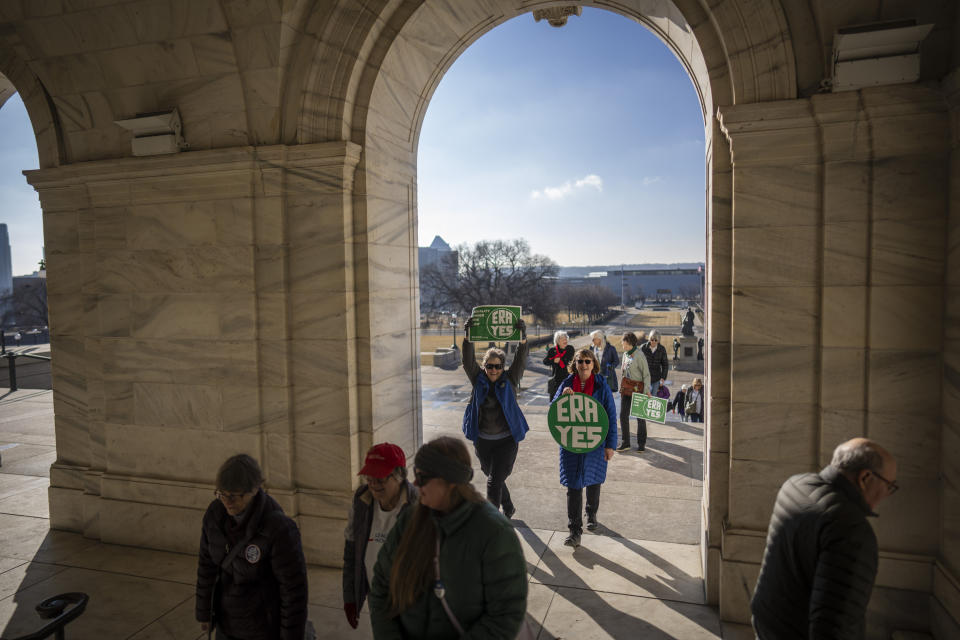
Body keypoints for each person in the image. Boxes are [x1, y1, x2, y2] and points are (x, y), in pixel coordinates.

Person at [369, 436, 528, 639]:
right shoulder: (411, 519)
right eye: (415, 475)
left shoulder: (494, 533)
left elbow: (506, 614)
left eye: (423, 477)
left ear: (450, 482)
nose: (416, 485)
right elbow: (381, 585)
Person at [751, 438, 899, 640]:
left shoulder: (795, 484)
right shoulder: (851, 529)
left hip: (768, 621)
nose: (886, 494)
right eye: (889, 485)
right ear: (865, 478)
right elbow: (835, 623)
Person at [196, 454, 308, 640]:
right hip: (225, 624)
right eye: (222, 493)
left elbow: (293, 591)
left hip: (262, 628)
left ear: (255, 489)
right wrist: (204, 612)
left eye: (234, 495)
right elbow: (206, 567)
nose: (227, 502)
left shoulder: (279, 528)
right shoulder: (214, 515)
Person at [342, 443, 418, 629]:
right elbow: (351, 553)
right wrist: (350, 597)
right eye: (369, 478)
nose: (373, 485)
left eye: (381, 479)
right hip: (376, 596)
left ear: (399, 476)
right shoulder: (362, 501)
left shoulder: (417, 505)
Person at [461, 317, 528, 519]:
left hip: (506, 440)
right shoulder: (478, 379)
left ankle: (493, 520)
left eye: (498, 366)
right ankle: (508, 507)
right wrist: (468, 338)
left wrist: (523, 339)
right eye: (490, 366)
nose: (494, 370)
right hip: (483, 440)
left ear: (503, 367)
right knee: (494, 477)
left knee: (493, 481)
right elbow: (467, 362)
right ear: (485, 367)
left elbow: (520, 360)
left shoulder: (510, 379)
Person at [553, 347, 618, 547]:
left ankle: (591, 513)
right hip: (571, 443)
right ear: (575, 364)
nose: (583, 365)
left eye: (587, 361)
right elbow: (553, 410)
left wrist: (610, 445)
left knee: (593, 482)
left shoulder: (601, 385)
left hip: (595, 444)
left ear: (593, 364)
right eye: (580, 361)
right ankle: (574, 530)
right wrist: (562, 398)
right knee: (573, 487)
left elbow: (611, 417)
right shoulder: (566, 383)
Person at [617, 331, 651, 452]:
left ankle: (641, 444)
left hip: (638, 390)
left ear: (632, 344)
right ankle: (626, 442)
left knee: (640, 417)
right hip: (626, 389)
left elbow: (646, 375)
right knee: (623, 415)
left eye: (625, 345)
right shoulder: (625, 354)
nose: (623, 347)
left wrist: (646, 390)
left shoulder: (640, 355)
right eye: (623, 344)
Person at [543, 331, 574, 401]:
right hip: (556, 379)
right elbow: (545, 361)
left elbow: (573, 361)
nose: (565, 341)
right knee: (555, 400)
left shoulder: (570, 349)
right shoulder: (552, 351)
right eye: (563, 339)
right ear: (557, 341)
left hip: (568, 378)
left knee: (568, 400)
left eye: (566, 339)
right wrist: (553, 361)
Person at [641, 329, 669, 399]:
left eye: (655, 340)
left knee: (653, 398)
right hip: (645, 377)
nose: (653, 341)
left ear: (658, 340)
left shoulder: (662, 349)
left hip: (656, 378)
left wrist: (663, 377)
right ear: (649, 339)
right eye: (652, 339)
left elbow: (665, 364)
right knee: (644, 396)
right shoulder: (643, 348)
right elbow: (638, 363)